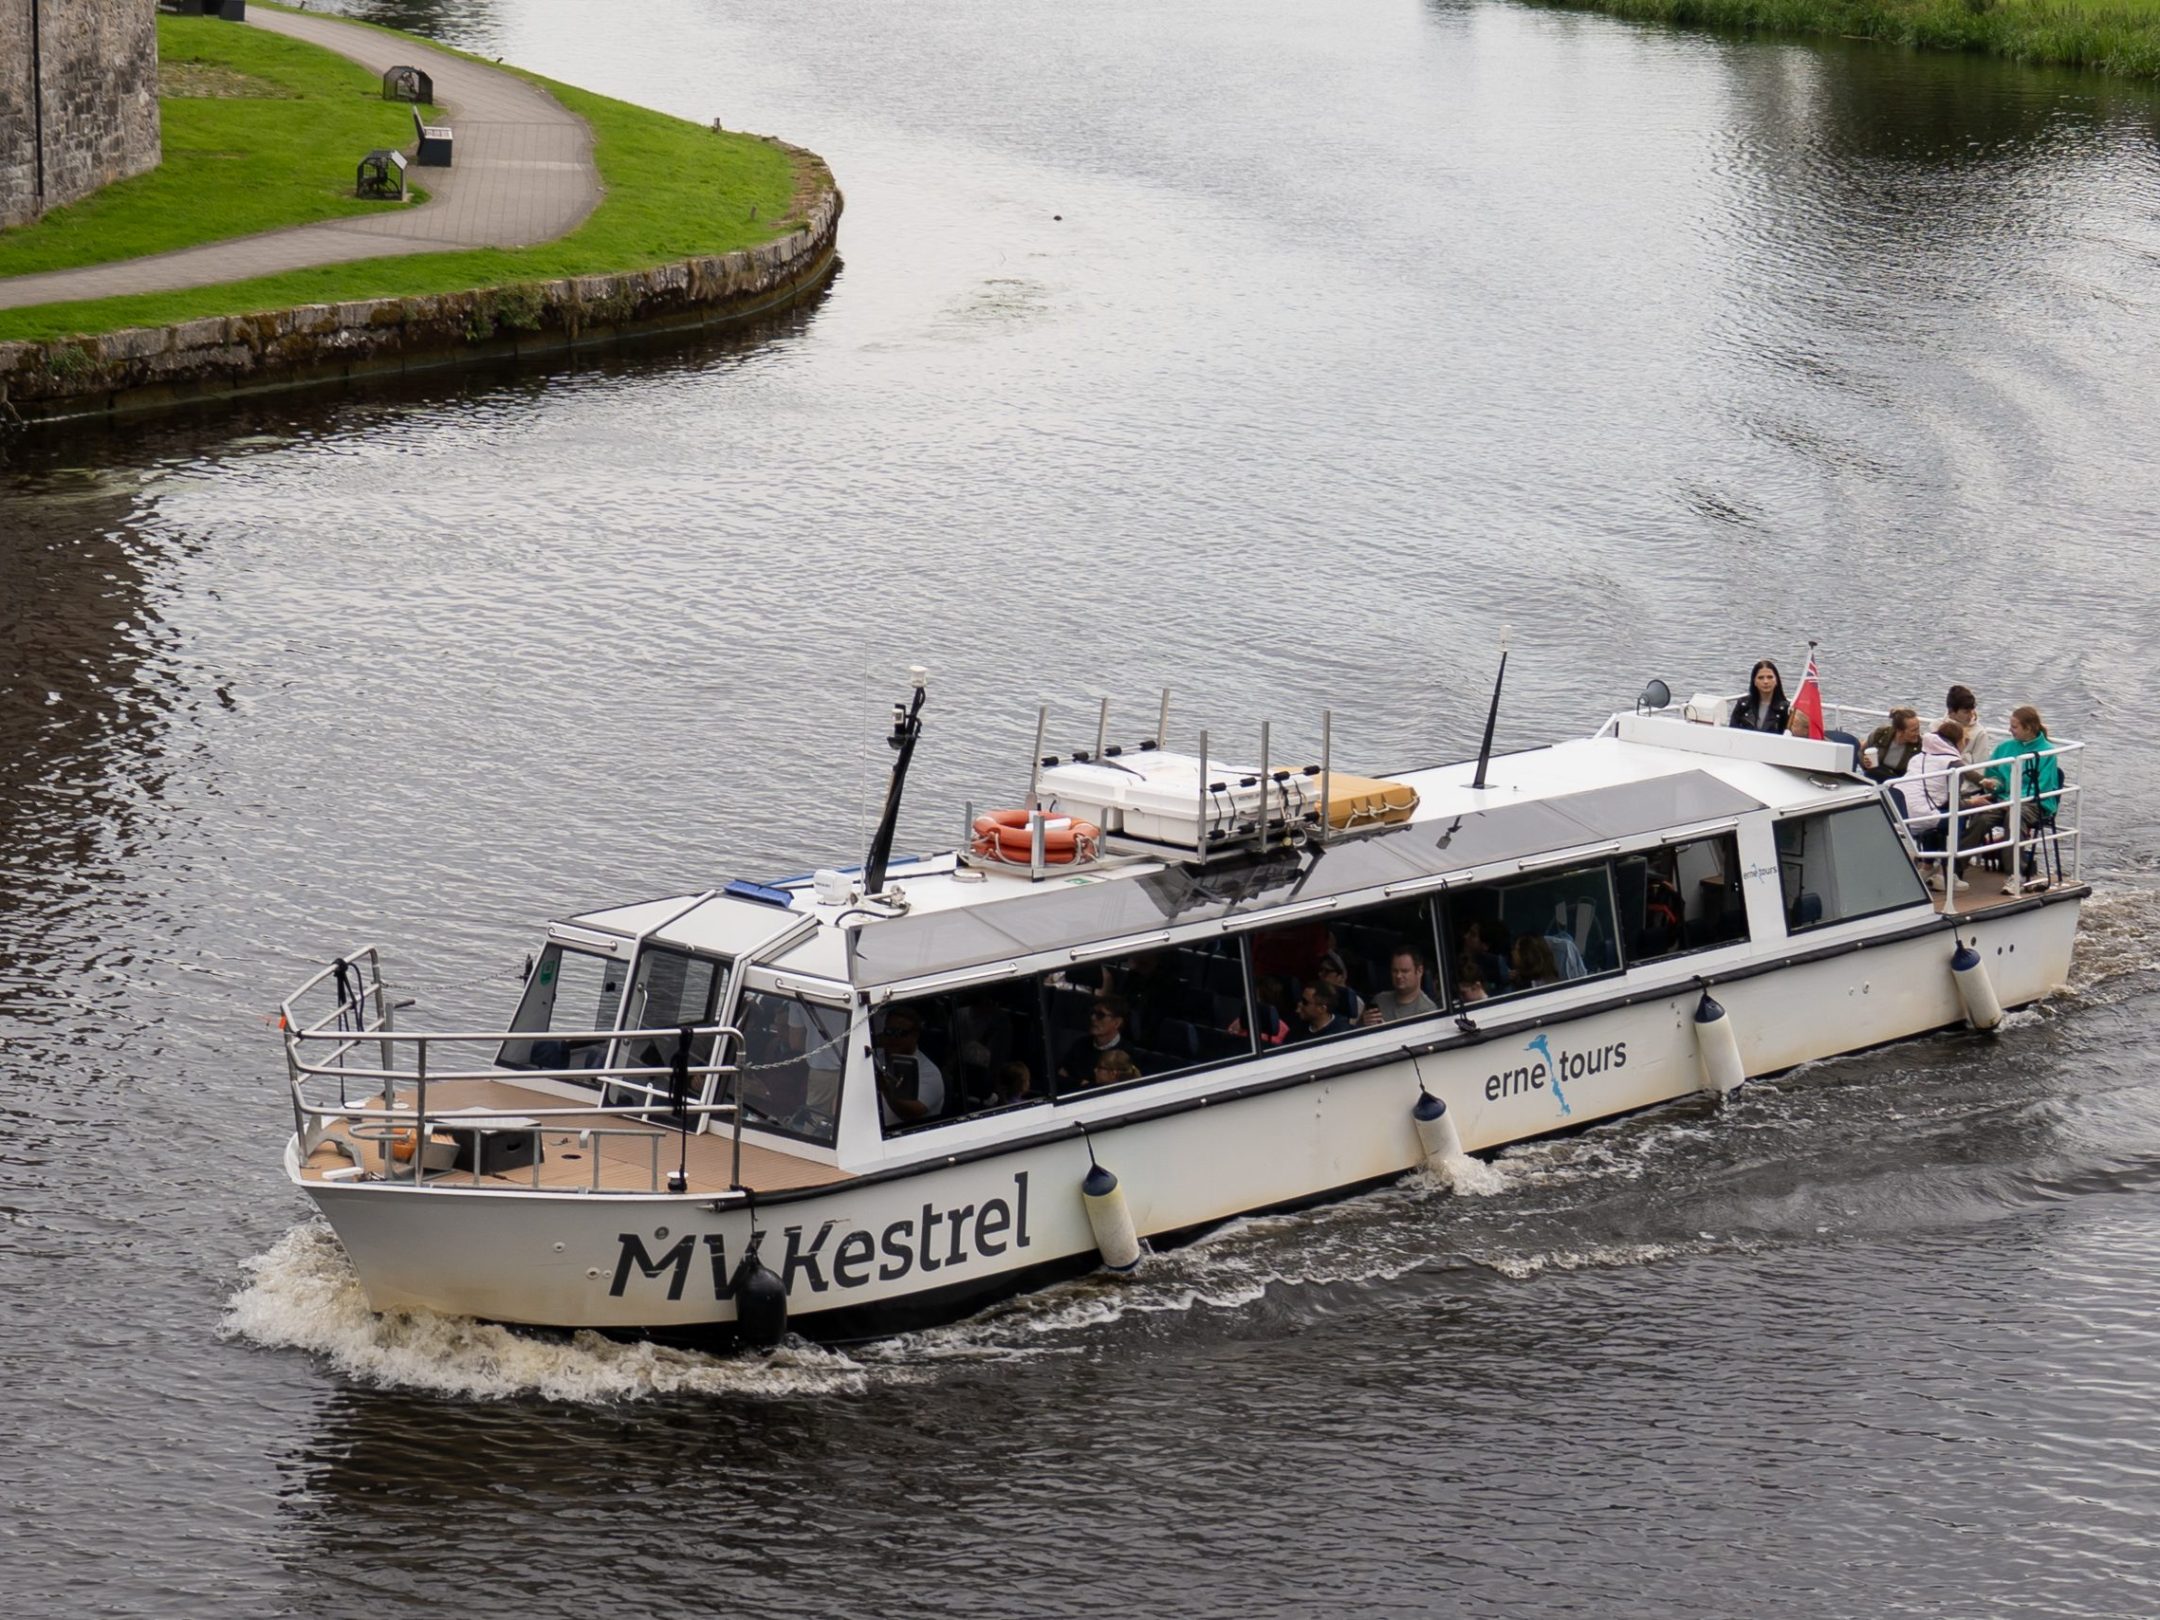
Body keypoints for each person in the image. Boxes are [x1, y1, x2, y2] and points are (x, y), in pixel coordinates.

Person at [1899, 719, 1968, 890]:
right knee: (1957, 816)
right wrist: (1973, 803)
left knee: (1935, 814)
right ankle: (1947, 874)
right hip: (1922, 818)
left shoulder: (1917, 758)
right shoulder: (1954, 765)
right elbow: (1953, 802)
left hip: (1901, 816)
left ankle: (1927, 866)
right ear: (1957, 741)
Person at [1984, 705, 2063, 817]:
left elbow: (2042, 786)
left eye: (2014, 727)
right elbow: (1994, 774)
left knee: (2014, 815)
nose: (2009, 730)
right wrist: (1993, 785)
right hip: (2004, 798)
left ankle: (2014, 835)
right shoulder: (2003, 747)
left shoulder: (2047, 752)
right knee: (1982, 816)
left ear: (2028, 728)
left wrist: (2013, 800)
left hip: (2035, 802)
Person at [874, 1006, 946, 1126]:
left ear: (915, 1035)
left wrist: (886, 1089)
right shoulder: (873, 1058)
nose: (893, 1038)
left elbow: (911, 1113)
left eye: (899, 1033)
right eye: (889, 1032)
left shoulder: (930, 1073)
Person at [1058, 993, 1130, 1085]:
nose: (1093, 1018)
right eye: (1093, 1013)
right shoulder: (1080, 1044)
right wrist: (1081, 1083)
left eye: (1101, 1015)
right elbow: (1060, 1075)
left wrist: (1080, 1083)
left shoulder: (1126, 1053)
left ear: (1117, 1022)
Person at [1360, 945, 1439, 1025]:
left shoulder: (1428, 1011)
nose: (1398, 976)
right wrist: (1364, 1023)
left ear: (1419, 971)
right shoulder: (1379, 1000)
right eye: (1395, 971)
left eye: (1404, 971)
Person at [1862, 709, 1922, 783]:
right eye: (1914, 730)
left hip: (1900, 781)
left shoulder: (1920, 745)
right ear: (1900, 731)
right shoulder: (1880, 735)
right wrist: (1865, 762)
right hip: (1875, 776)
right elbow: (1862, 752)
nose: (1918, 733)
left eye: (1918, 728)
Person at [1941, 685, 1994, 769]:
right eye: (1966, 712)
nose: (1970, 715)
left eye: (1972, 710)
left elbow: (1981, 767)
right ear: (1952, 712)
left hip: (1966, 779)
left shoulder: (1979, 733)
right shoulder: (1936, 726)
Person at [1730, 660, 1790, 734]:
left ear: (1776, 680)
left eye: (1770, 677)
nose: (1765, 681)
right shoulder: (1743, 705)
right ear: (1754, 681)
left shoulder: (1785, 709)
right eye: (1761, 678)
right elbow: (1732, 731)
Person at [1289, 981, 1354, 1041]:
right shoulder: (1296, 1031)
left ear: (1322, 1009)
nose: (1299, 1004)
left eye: (1305, 1002)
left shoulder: (1342, 1035)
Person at [1314, 951, 1365, 1022]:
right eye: (1320, 970)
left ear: (1341, 976)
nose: (1320, 974)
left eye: (1326, 971)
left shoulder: (1355, 1002)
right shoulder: (1322, 998)